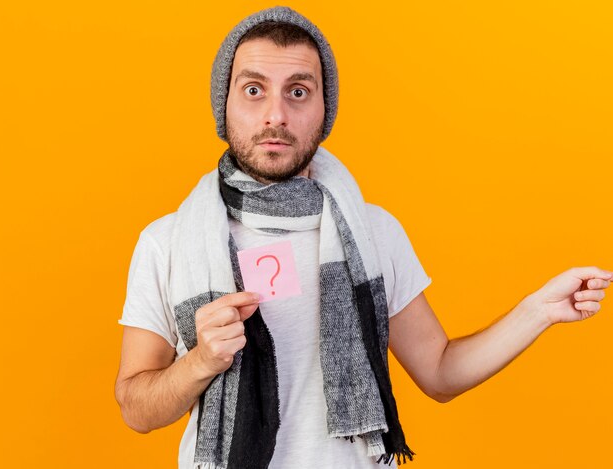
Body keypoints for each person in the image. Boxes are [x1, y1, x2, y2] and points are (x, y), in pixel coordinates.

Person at [114, 6, 611, 469]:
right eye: (253, 90)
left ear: (324, 108)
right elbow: (137, 407)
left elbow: (439, 373)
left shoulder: (372, 232)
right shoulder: (170, 241)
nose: (275, 116)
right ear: (223, 105)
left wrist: (539, 310)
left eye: (298, 91)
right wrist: (201, 361)